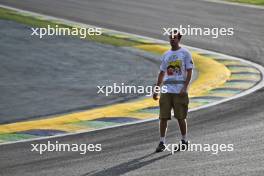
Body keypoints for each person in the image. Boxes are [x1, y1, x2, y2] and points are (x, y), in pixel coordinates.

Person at [153, 30, 194, 152]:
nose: (172, 39)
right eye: (170, 37)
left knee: (181, 117)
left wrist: (185, 87)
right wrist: (156, 89)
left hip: (179, 90)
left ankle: (184, 140)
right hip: (166, 89)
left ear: (179, 39)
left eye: (174, 38)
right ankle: (162, 142)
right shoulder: (166, 54)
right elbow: (161, 73)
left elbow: (190, 71)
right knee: (163, 117)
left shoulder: (185, 53)